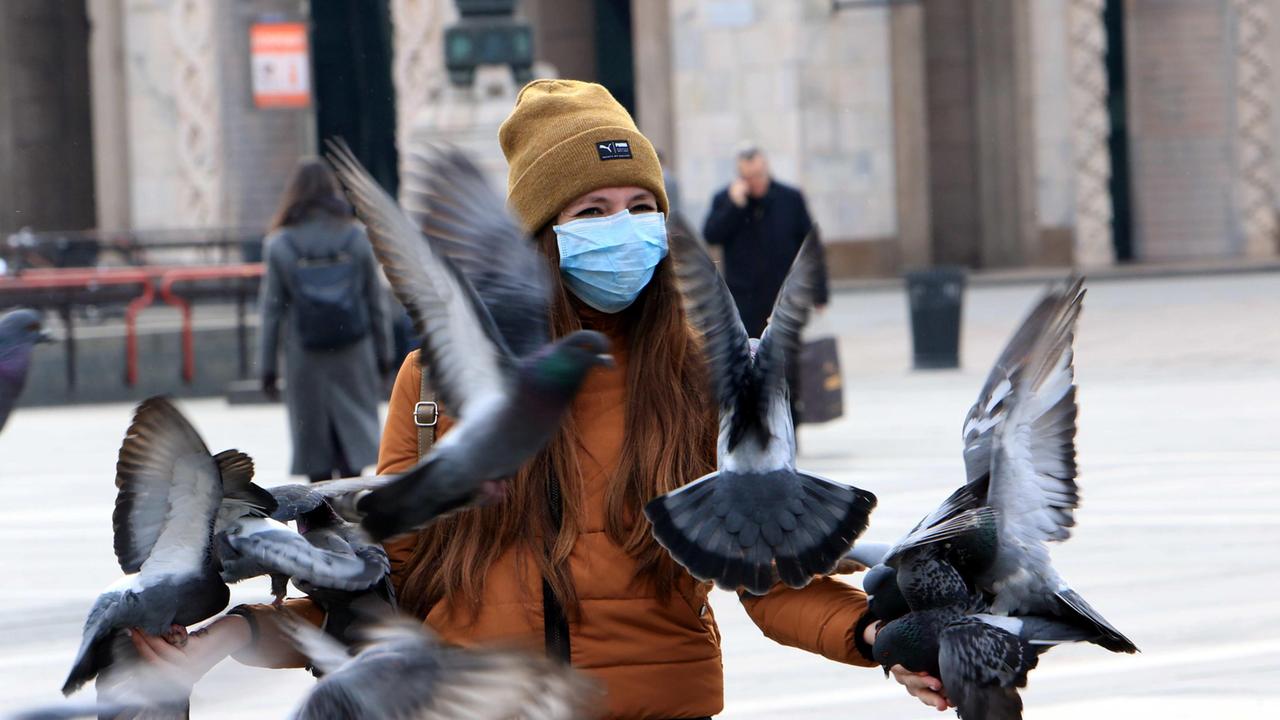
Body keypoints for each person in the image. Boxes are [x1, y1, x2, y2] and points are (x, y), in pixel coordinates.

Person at [130, 81, 949, 717]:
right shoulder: (434, 382)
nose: (623, 228)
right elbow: (382, 587)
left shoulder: (702, 374)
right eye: (592, 211)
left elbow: (770, 570)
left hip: (654, 709)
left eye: (641, 209)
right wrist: (227, 637)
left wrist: (876, 635)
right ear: (538, 239)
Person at [257, 158, 391, 483]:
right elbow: (376, 300)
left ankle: (316, 520)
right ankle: (348, 508)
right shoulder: (356, 237)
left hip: (305, 354)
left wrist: (267, 369)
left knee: (313, 439)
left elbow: (271, 310)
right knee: (354, 435)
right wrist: (385, 355)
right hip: (353, 350)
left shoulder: (280, 244)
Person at [702, 146, 830, 339]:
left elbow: (811, 246)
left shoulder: (790, 198)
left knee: (787, 358)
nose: (755, 182)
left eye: (758, 174)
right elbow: (711, 235)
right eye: (748, 177)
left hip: (784, 295)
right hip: (744, 299)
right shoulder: (725, 200)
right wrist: (734, 206)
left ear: (766, 168)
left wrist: (820, 292)